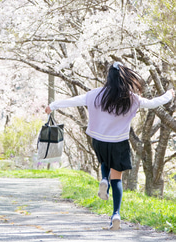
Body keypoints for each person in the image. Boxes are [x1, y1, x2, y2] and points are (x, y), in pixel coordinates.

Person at [45, 62, 175, 230]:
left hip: (98, 140)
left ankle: (103, 179)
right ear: (125, 78)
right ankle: (116, 214)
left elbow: (73, 101)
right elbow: (153, 103)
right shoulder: (132, 98)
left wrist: (53, 106)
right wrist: (169, 94)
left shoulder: (94, 95)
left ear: (108, 78)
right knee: (118, 178)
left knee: (105, 160)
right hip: (119, 141)